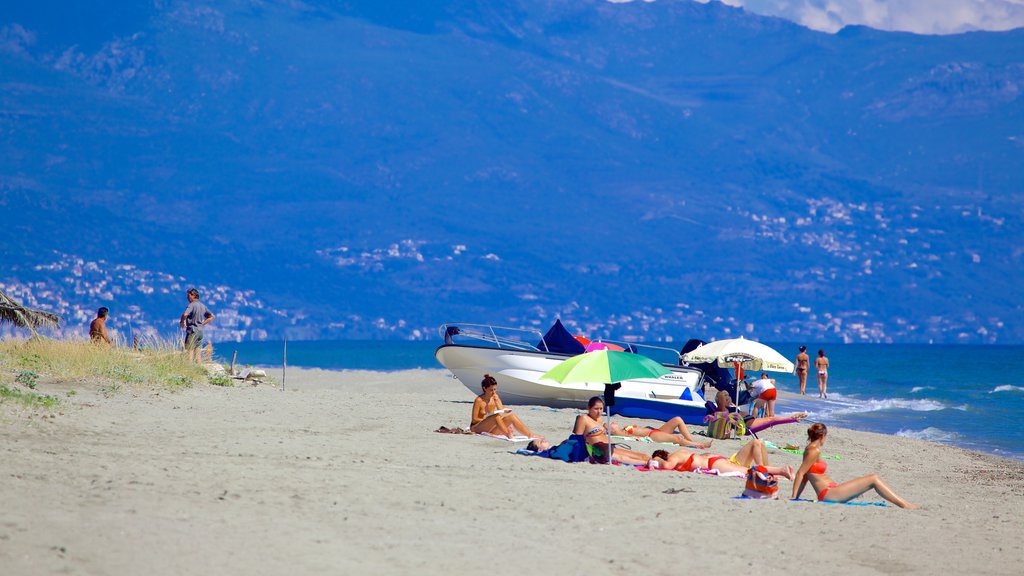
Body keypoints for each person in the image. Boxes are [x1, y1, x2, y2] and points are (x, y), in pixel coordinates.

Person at [792, 423, 917, 508]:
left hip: (831, 491)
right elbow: (801, 474)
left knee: (873, 479)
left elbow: (805, 477)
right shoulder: (814, 451)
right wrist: (793, 498)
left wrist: (796, 497)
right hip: (828, 494)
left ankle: (905, 503)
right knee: (873, 478)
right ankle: (905, 505)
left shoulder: (811, 449)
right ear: (823, 435)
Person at [647, 439, 794, 479]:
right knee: (746, 471)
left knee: (747, 471)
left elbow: (666, 466)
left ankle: (781, 470)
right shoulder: (681, 454)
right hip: (716, 461)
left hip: (714, 463)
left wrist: (653, 461)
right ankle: (776, 472)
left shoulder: (675, 456)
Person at [573, 396, 652, 465]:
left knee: (642, 456)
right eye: (596, 409)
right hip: (600, 451)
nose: (599, 411)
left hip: (611, 447)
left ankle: (658, 460)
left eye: (601, 409)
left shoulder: (599, 419)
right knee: (637, 460)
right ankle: (654, 464)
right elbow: (577, 438)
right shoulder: (583, 418)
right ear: (589, 408)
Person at [470, 374, 540, 440]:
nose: (494, 392)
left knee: (511, 416)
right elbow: (474, 419)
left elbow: (501, 411)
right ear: (484, 388)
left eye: (495, 389)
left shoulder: (495, 397)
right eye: (491, 390)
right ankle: (507, 434)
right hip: (477, 428)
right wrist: (488, 420)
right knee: (495, 416)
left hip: (490, 428)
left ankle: (529, 435)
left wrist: (497, 402)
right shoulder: (479, 400)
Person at [714, 390, 806, 430]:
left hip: (748, 420)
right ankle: (792, 418)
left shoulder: (729, 408)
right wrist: (723, 398)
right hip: (746, 424)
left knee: (771, 419)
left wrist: (729, 401)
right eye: (725, 397)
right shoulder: (722, 411)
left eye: (728, 396)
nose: (728, 398)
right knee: (771, 420)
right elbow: (724, 413)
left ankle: (792, 418)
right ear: (721, 401)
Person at [609, 417, 713, 449]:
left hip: (656, 431)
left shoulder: (623, 429)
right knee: (677, 439)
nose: (613, 422)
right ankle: (700, 445)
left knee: (678, 419)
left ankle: (690, 441)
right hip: (652, 435)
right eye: (610, 424)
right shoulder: (620, 433)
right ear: (612, 430)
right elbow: (636, 437)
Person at [179, 288, 215, 363]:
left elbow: (185, 314)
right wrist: (202, 324)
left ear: (194, 296)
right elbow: (211, 316)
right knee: (198, 354)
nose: (187, 298)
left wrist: (182, 321)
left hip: (192, 331)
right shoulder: (202, 306)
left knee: (189, 351)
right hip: (200, 332)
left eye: (188, 296)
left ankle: (189, 370)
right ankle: (199, 368)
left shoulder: (191, 305)